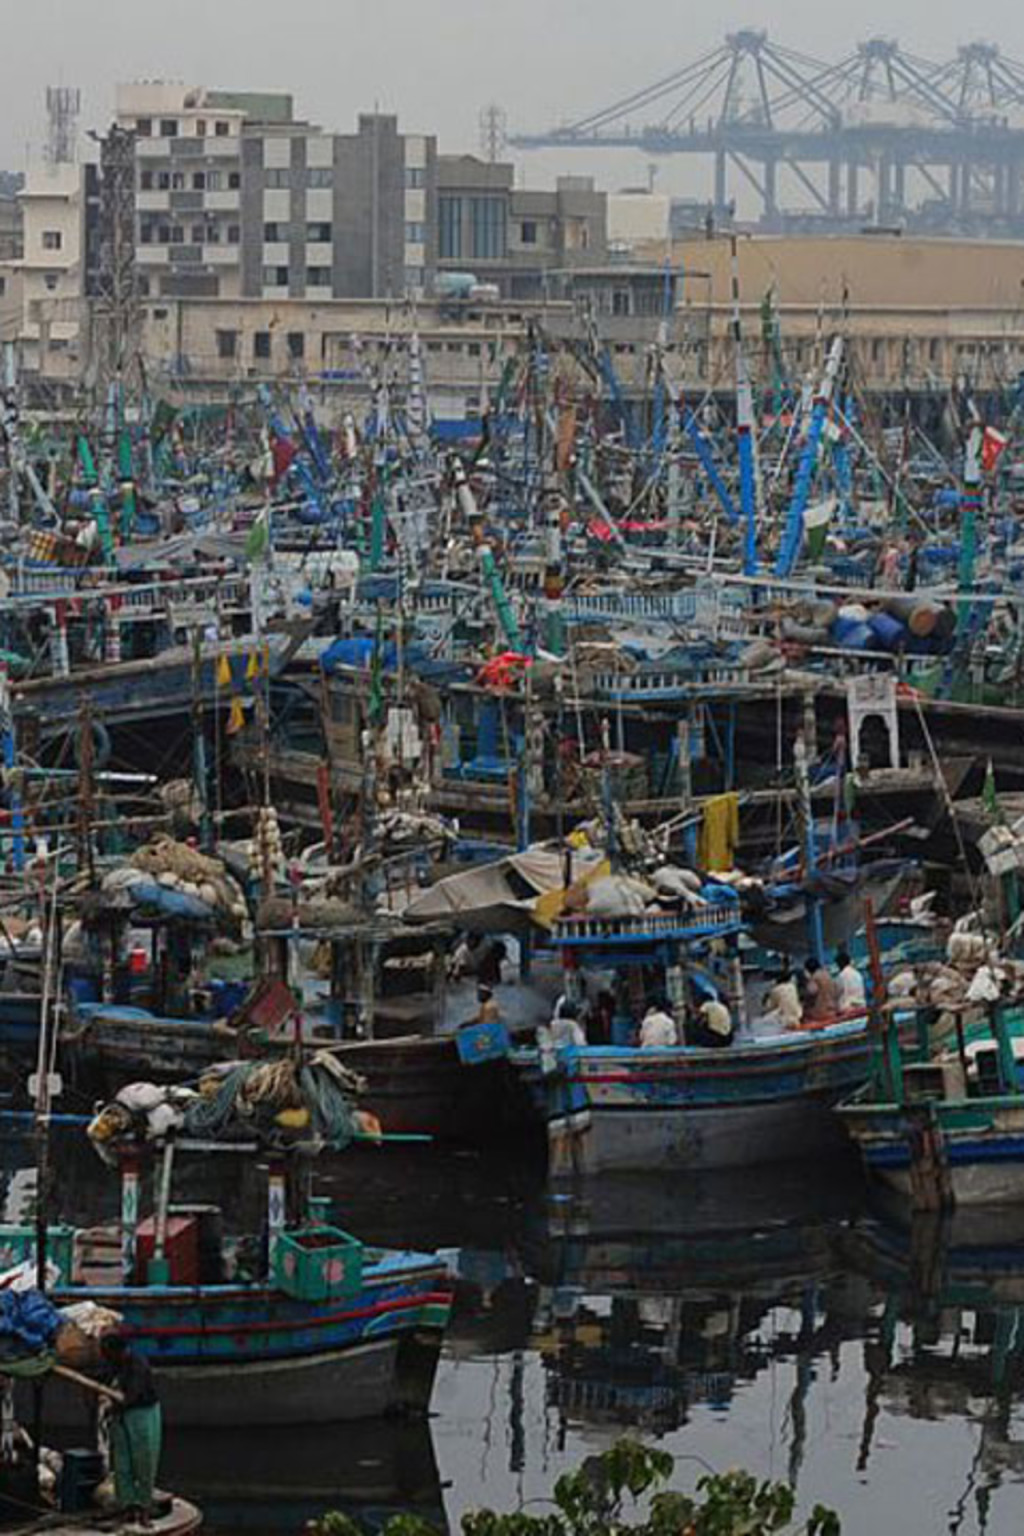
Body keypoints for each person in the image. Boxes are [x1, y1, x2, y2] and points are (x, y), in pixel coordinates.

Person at [98, 1333, 162, 1520]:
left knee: (144, 1459)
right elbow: (104, 1378)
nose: (106, 1357)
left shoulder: (138, 1365)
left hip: (142, 1414)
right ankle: (126, 1503)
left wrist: (113, 1404)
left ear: (118, 1351)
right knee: (122, 1462)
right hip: (121, 1416)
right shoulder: (114, 1364)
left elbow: (132, 1395)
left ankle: (144, 1504)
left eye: (107, 1353)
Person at [762, 965, 803, 1030]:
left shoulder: (776, 990)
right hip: (797, 1017)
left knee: (762, 1021)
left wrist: (767, 993)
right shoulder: (792, 986)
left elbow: (768, 1007)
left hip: (785, 1020)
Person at [803, 957, 839, 1024]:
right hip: (832, 1011)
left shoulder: (815, 978)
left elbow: (811, 992)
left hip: (820, 1013)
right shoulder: (828, 975)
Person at [836, 949, 867, 1014]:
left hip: (848, 1007)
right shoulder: (857, 973)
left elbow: (837, 992)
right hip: (862, 1005)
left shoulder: (841, 976)